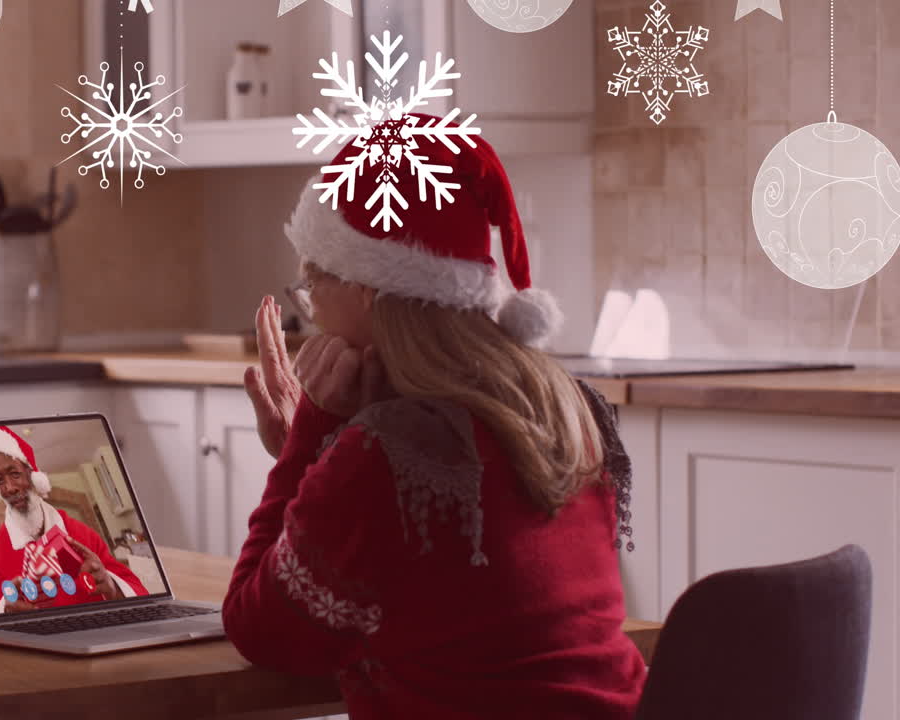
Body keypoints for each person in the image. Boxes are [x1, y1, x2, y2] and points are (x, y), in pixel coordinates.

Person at [223, 115, 645, 719]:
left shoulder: (383, 455)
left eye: (313, 287)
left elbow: (258, 629)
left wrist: (309, 440)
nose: (311, 317)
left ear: (367, 289)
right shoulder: (568, 407)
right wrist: (328, 456)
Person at [0, 425, 148, 614]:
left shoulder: (81, 533)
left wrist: (112, 587)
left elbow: (140, 595)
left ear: (33, 476)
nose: (9, 488)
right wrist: (6, 612)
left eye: (15, 474)